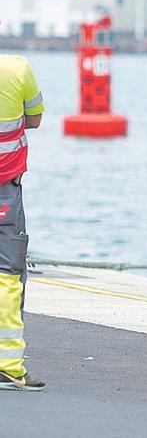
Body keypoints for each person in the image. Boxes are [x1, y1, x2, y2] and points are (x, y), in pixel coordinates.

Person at [0, 54, 44, 391]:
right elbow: (35, 119)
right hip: (5, 191)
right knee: (7, 277)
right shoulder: (17, 69)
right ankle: (9, 366)